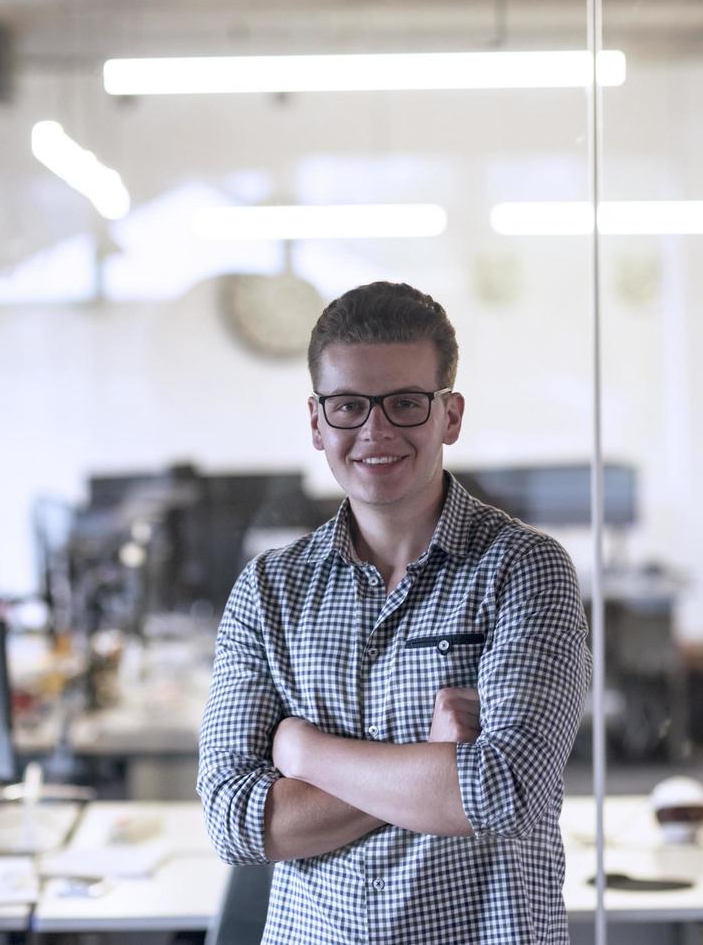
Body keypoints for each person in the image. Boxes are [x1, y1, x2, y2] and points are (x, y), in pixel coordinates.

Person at [197, 280, 591, 943]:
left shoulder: (525, 570)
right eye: (349, 405)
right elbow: (237, 822)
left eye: (405, 403)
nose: (375, 431)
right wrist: (431, 762)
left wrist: (306, 751)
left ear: (450, 416)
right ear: (318, 422)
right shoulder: (269, 592)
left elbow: (501, 793)